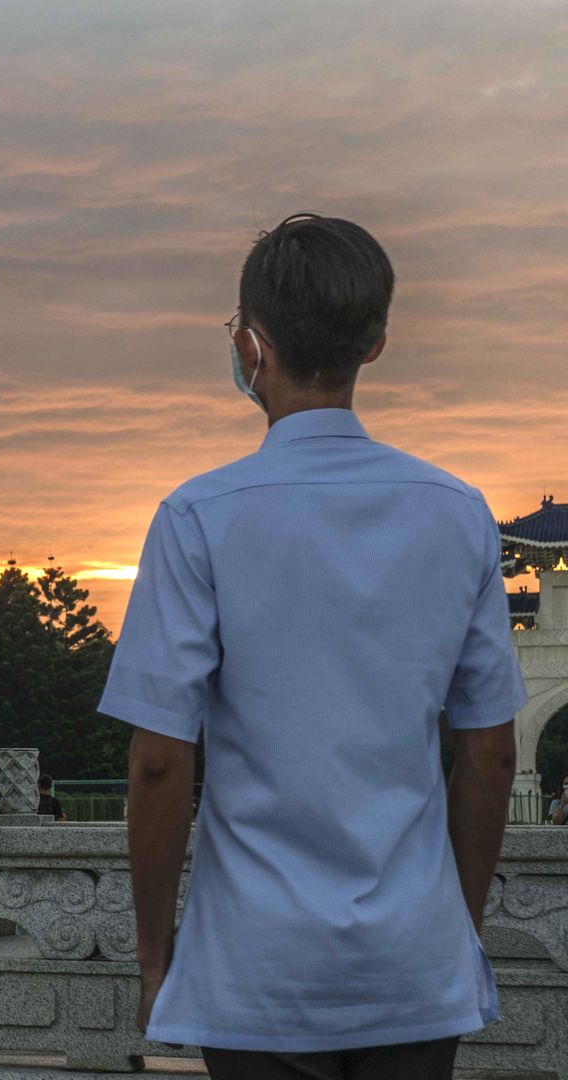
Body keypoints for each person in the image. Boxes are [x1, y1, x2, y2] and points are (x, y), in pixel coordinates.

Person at [103, 214, 525, 1079]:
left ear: (251, 347)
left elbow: (157, 764)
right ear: (375, 343)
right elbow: (489, 758)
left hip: (258, 967)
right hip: (414, 957)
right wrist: (455, 929)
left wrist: (155, 959)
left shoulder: (199, 518)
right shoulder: (456, 513)